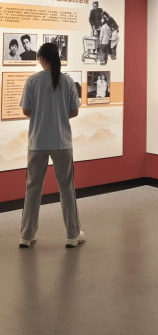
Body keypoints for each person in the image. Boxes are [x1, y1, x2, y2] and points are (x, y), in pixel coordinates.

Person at [18, 42, 85, 248]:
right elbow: (74, 111)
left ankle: (26, 235)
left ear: (42, 59)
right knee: (67, 189)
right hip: (62, 142)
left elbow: (26, 111)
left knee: (33, 189)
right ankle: (73, 235)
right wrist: (58, 115)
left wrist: (42, 113)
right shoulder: (68, 81)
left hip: (37, 142)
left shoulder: (32, 81)